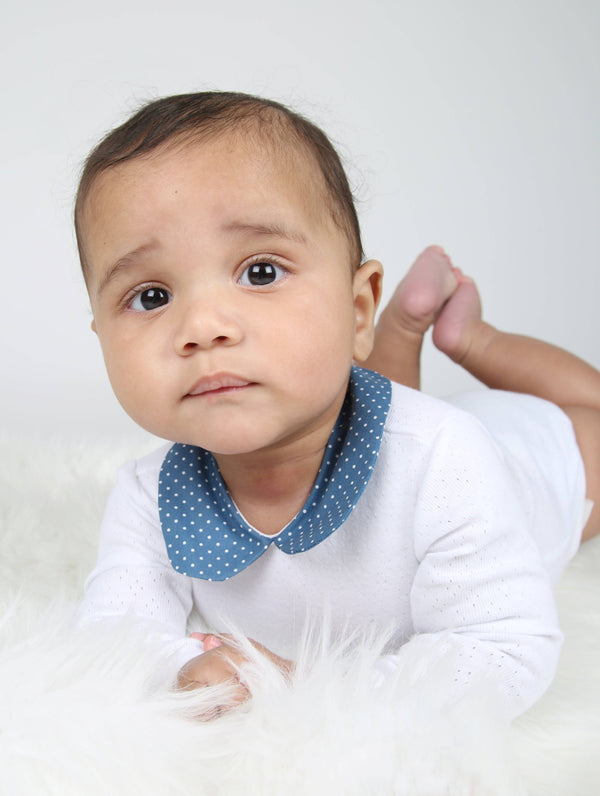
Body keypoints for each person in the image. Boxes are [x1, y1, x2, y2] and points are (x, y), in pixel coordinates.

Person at [75, 92, 599, 721]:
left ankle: (469, 339)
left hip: (533, 453)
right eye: (151, 295)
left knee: (586, 412)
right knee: (348, 395)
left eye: (260, 272)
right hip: (382, 416)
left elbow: (503, 649)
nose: (202, 326)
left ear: (356, 309)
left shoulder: (446, 459)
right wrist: (182, 671)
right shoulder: (148, 495)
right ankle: (401, 336)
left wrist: (318, 689)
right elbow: (111, 635)